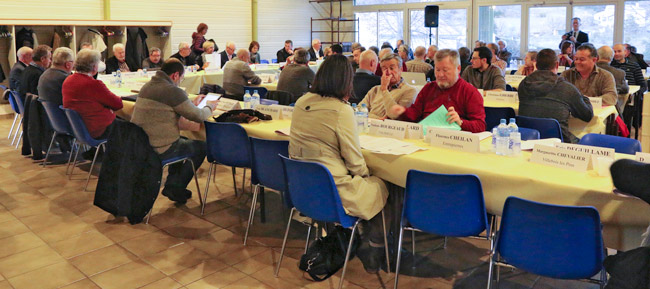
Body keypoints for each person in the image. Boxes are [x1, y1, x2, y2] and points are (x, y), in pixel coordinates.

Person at [289, 54, 389, 274]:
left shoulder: (301, 102)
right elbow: (355, 161)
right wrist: (365, 175)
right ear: (345, 81)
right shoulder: (341, 110)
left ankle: (357, 237)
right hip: (334, 192)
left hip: (304, 190)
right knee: (384, 185)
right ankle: (375, 248)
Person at [131, 58, 217, 204]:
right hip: (159, 146)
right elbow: (199, 116)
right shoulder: (171, 90)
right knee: (201, 147)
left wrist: (190, 103)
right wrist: (210, 106)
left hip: (140, 144)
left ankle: (173, 185)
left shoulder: (148, 86)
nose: (180, 82)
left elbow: (170, 108)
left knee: (182, 142)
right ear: (175, 75)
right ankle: (176, 186)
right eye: (181, 78)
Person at [387, 49, 486, 133]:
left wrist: (461, 122)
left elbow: (480, 125)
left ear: (458, 69)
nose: (440, 75)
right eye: (437, 70)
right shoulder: (428, 88)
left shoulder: (469, 92)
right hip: (426, 136)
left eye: (445, 70)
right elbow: (415, 113)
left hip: (452, 141)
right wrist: (403, 112)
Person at [518, 49, 593, 143]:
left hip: (528, 139)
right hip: (559, 143)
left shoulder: (523, 84)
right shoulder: (566, 88)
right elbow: (587, 116)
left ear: (536, 65)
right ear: (557, 65)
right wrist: (584, 97)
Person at [62, 49, 123, 139]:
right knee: (133, 129)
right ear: (94, 67)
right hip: (98, 129)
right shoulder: (93, 84)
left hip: (79, 128)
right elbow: (118, 104)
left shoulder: (68, 80)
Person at [360, 53, 416, 119]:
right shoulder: (375, 90)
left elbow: (395, 117)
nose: (388, 72)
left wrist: (384, 90)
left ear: (400, 69)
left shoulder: (409, 91)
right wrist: (377, 118)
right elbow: (359, 110)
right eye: (385, 69)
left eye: (392, 68)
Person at [596, 46, 629, 112]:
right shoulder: (619, 73)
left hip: (588, 106)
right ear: (611, 58)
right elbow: (625, 90)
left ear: (597, 56)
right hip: (611, 110)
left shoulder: (587, 70)